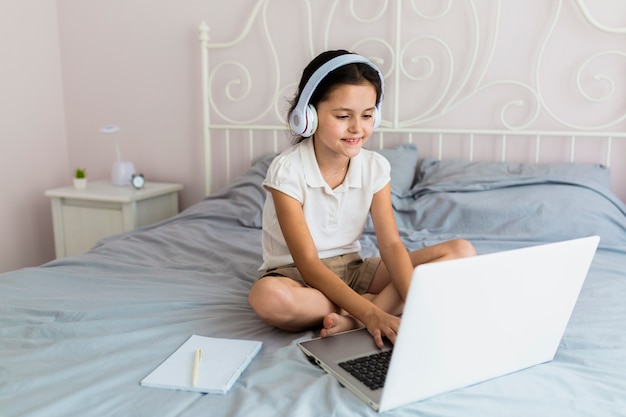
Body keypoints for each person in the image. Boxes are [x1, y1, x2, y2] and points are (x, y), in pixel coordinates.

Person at [248, 50, 475, 348]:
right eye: (343, 116)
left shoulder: (375, 166)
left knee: (461, 251)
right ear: (308, 116)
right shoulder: (288, 170)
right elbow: (307, 263)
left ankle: (351, 319)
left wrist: (415, 302)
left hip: (354, 270)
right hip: (299, 276)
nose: (357, 128)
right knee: (268, 299)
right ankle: (372, 309)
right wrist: (372, 314)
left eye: (367, 115)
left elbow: (392, 245)